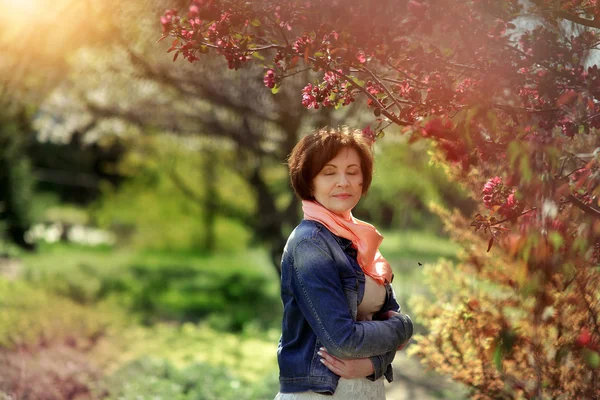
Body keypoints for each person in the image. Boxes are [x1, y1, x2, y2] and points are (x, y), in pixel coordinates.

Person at [275, 127, 413, 399]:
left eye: (352, 172)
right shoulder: (310, 244)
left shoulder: (360, 240)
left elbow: (387, 319)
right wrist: (405, 327)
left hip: (366, 390)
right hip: (318, 393)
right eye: (329, 172)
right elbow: (343, 341)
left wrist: (373, 363)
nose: (343, 181)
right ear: (310, 181)